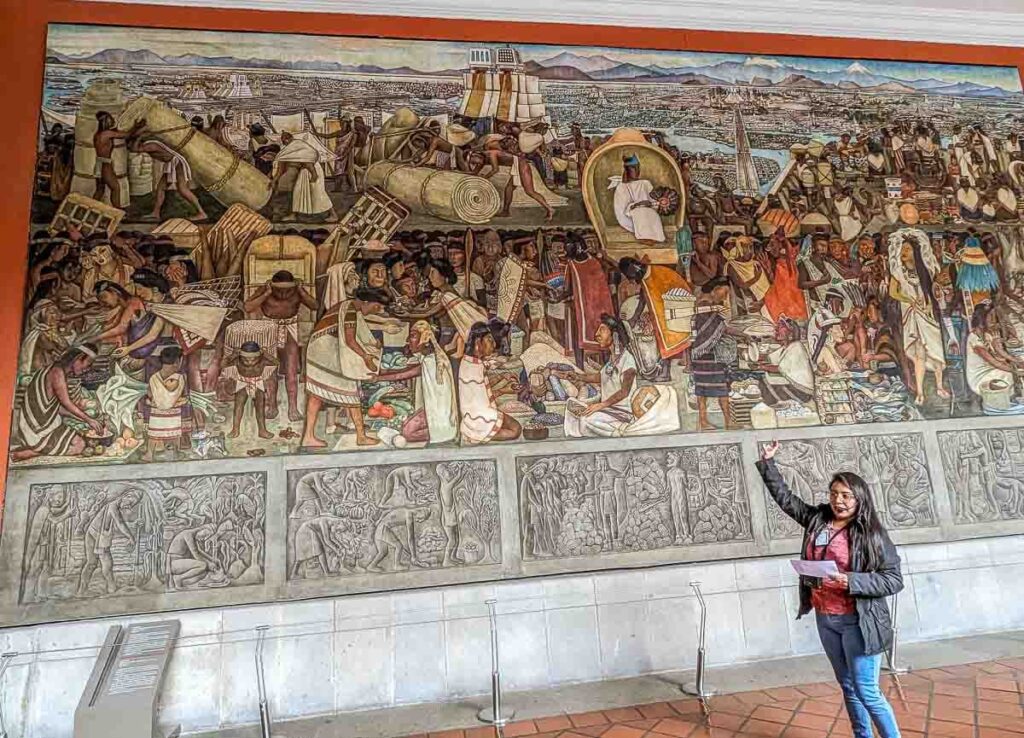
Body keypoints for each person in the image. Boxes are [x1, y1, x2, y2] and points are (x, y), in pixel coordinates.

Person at [757, 440, 903, 738]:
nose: (839, 500)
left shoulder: (872, 534)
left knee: (867, 691)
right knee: (848, 686)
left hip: (859, 621)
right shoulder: (818, 520)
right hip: (826, 618)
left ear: (860, 499)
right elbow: (786, 500)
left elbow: (893, 579)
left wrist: (852, 580)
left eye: (846, 496)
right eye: (834, 494)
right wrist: (768, 464)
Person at [559, 314, 679, 438]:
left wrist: (601, 405)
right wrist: (578, 377)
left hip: (622, 413)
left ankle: (622, 429)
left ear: (615, 335)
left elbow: (624, 391)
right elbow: (601, 377)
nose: (596, 334)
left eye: (602, 330)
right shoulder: (612, 359)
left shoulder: (628, 360)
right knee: (572, 407)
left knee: (586, 420)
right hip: (607, 410)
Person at [243, 270, 317, 422]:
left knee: (291, 371)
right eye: (279, 289)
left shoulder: (297, 290)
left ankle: (292, 408)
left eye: (287, 289)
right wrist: (266, 293)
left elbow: (314, 306)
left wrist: (301, 291)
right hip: (269, 327)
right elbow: (248, 307)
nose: (283, 293)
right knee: (270, 371)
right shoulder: (265, 289)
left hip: (290, 328)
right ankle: (272, 406)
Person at [457, 322, 522, 444]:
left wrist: (502, 376)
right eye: (489, 340)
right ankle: (475, 434)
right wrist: (505, 390)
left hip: (480, 413)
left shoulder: (472, 362)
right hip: (477, 417)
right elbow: (481, 400)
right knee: (515, 430)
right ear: (478, 343)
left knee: (513, 427)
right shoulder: (471, 368)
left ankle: (478, 434)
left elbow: (482, 384)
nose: (494, 344)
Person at [127, 133, 208, 222]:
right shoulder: (148, 145)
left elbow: (135, 150)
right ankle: (156, 213)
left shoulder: (151, 145)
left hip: (178, 163)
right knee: (161, 188)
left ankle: (202, 213)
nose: (128, 147)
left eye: (129, 144)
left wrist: (138, 137)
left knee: (182, 189)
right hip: (170, 163)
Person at [92, 111, 145, 209]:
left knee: (100, 190)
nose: (111, 121)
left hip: (99, 162)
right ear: (105, 121)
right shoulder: (107, 134)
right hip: (105, 164)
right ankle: (117, 211)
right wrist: (137, 126)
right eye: (109, 119)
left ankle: (90, 210)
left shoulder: (98, 134)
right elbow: (127, 135)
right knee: (116, 188)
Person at [611, 154, 665, 244]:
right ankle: (643, 237)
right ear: (627, 170)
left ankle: (654, 237)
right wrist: (638, 204)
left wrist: (656, 203)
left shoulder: (645, 183)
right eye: (633, 168)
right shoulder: (622, 187)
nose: (637, 170)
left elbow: (653, 201)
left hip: (647, 210)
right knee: (640, 213)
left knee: (652, 214)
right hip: (630, 214)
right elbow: (621, 210)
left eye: (638, 167)